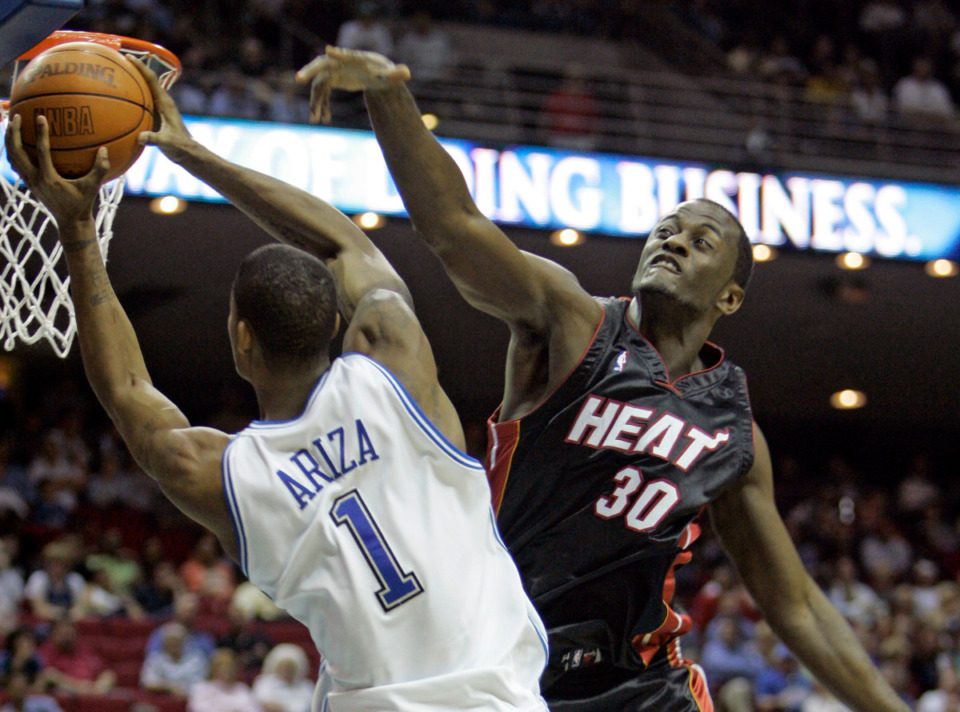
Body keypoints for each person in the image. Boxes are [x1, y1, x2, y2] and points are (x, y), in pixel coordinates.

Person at [296, 47, 913, 712]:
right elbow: (455, 228)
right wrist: (390, 98)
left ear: (729, 299)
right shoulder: (571, 321)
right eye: (666, 231)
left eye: (700, 242)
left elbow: (794, 605)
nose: (673, 242)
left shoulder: (733, 433)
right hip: (504, 660)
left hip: (639, 683)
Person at [5, 64, 548, 712]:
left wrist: (77, 230)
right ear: (339, 325)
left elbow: (125, 390)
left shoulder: (228, 474)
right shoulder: (394, 366)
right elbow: (341, 240)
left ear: (241, 339)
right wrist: (193, 153)